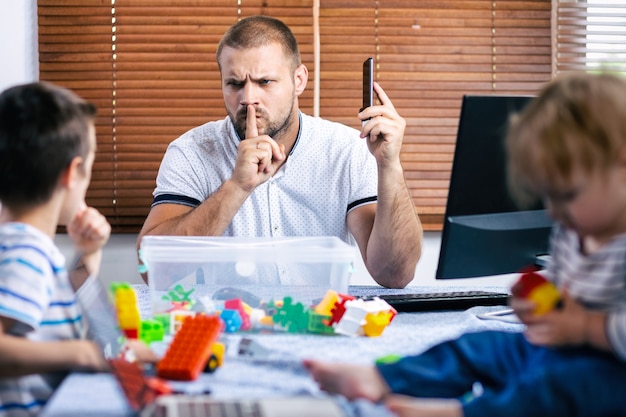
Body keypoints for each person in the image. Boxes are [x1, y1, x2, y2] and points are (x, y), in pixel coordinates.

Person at [304, 72, 626, 417]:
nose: (554, 210)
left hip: (612, 372)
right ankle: (384, 379)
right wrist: (540, 302)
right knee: (478, 348)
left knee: (556, 390)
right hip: (562, 350)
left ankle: (463, 413)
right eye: (547, 195)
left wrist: (586, 327)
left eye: (567, 195)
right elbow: (561, 294)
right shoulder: (572, 229)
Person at [137, 15, 423, 288]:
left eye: (265, 82)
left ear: (298, 80)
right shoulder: (192, 152)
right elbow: (150, 269)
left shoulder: (347, 150)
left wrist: (390, 166)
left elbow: (394, 275)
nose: (248, 99)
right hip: (228, 326)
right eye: (235, 84)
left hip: (321, 325)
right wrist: (237, 187)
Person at [0, 82, 111, 416]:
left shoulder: (20, 245)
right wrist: (84, 354)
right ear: (73, 172)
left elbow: (56, 304)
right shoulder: (26, 253)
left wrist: (88, 254)